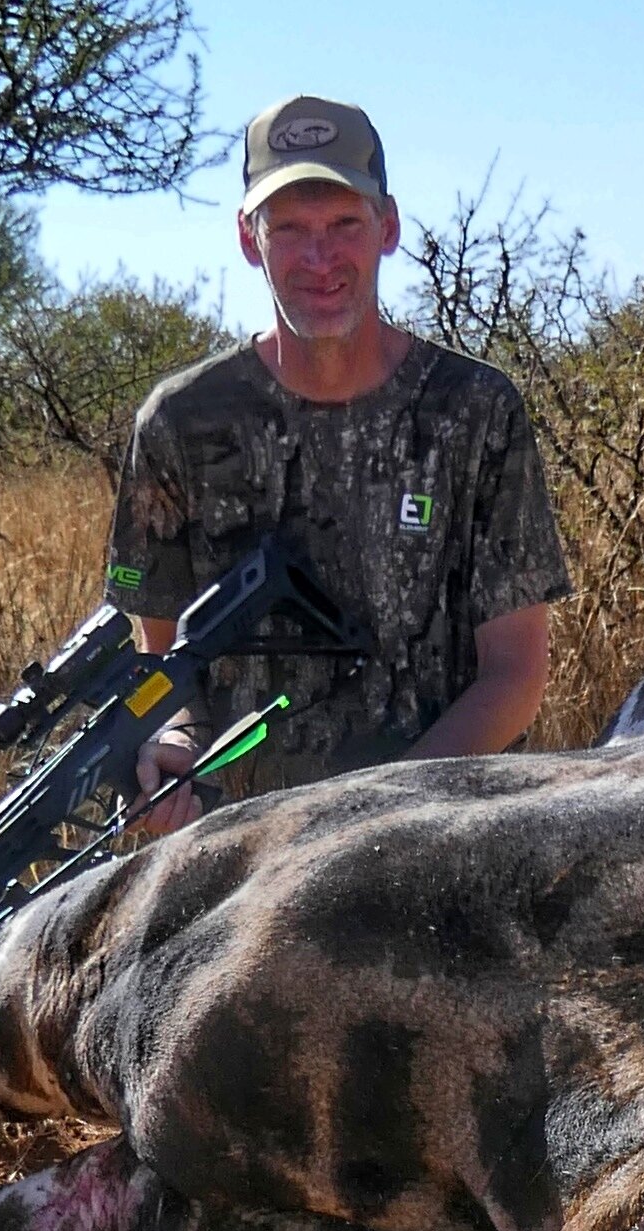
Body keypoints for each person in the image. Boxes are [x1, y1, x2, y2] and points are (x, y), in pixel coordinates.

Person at [108, 95, 570, 824]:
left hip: (439, 836)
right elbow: (163, 669)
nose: (319, 258)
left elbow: (513, 676)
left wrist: (363, 824)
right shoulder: (179, 423)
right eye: (289, 228)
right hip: (242, 855)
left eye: (343, 224)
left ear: (386, 228)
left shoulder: (476, 408)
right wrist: (169, 748)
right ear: (248, 237)